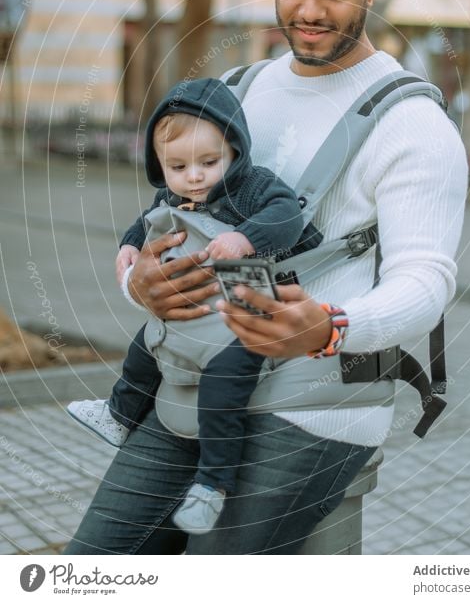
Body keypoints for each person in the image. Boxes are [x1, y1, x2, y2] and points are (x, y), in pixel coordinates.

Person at [65, 0, 467, 555]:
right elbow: (175, 213)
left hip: (314, 409)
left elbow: (425, 283)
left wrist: (329, 326)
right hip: (195, 382)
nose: (309, 10)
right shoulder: (238, 89)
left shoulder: (414, 126)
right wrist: (139, 280)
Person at [67, 76, 320, 535]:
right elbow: (146, 223)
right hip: (193, 315)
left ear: (235, 153)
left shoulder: (253, 189)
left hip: (248, 309)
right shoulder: (171, 195)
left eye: (209, 162)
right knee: (145, 347)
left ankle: (212, 483)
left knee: (224, 389)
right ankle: (119, 413)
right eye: (178, 166)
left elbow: (288, 216)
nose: (196, 176)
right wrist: (128, 250)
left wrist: (245, 237)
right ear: (160, 166)